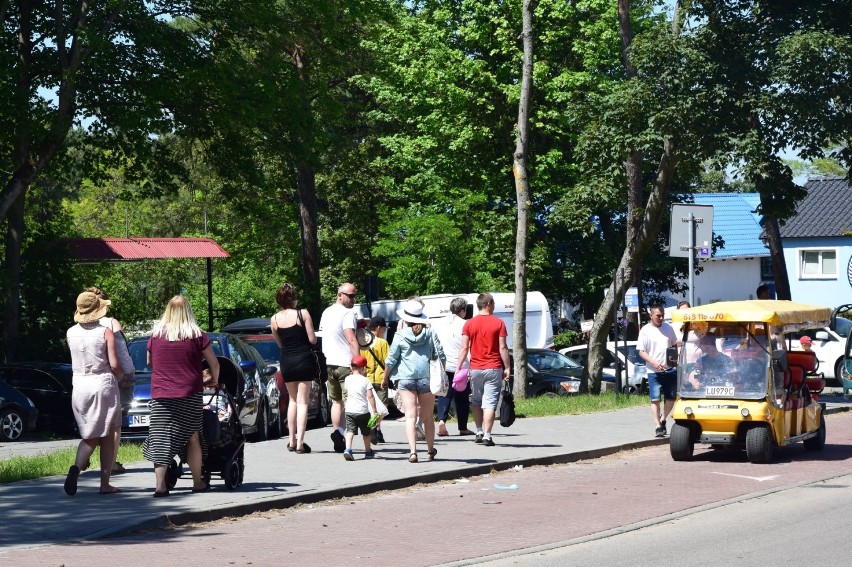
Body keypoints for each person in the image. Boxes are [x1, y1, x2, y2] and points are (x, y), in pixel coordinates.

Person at [143, 295, 220, 497]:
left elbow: (150, 363)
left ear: (168, 311)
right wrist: (214, 380)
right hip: (190, 393)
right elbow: (215, 363)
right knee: (193, 436)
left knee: (160, 437)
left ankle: (160, 486)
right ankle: (197, 482)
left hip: (161, 394)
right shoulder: (197, 335)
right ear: (188, 311)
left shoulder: (156, 335)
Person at [64, 291, 125, 496]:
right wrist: (121, 375)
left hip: (79, 385)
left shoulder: (71, 332)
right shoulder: (105, 332)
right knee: (107, 435)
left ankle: (76, 468)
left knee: (89, 434)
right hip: (102, 384)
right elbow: (115, 364)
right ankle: (104, 483)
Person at [381, 299, 445, 463]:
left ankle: (413, 452)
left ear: (406, 319)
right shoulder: (430, 333)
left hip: (405, 379)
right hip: (427, 379)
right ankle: (430, 451)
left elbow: (391, 359)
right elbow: (441, 356)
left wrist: (385, 378)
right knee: (428, 417)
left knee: (410, 416)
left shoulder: (400, 335)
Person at [86, 286, 135, 475]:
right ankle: (111, 462)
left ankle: (86, 454)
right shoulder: (112, 323)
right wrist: (127, 374)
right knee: (115, 424)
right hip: (117, 377)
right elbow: (121, 352)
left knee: (96, 420)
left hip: (90, 379)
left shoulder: (80, 326)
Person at [455, 293, 510, 447]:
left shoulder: (469, 324)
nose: (494, 306)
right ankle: (487, 435)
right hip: (493, 368)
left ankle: (478, 431)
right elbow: (503, 347)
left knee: (477, 401)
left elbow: (464, 347)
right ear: (489, 303)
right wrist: (507, 367)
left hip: (475, 368)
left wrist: (459, 366)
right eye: (493, 303)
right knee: (490, 403)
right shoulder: (499, 323)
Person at [270, 283, 318, 454]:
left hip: (287, 361)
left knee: (293, 401)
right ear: (293, 298)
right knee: (303, 401)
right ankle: (301, 443)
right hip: (304, 359)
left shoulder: (274, 319)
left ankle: (291, 440)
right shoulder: (302, 313)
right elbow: (312, 340)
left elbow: (280, 344)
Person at [319, 282, 361, 453]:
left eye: (354, 295)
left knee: (336, 401)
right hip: (345, 363)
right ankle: (348, 437)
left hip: (329, 362)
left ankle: (338, 432)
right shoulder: (347, 314)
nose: (353, 299)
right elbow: (351, 339)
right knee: (350, 402)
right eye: (350, 296)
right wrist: (358, 361)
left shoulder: (326, 312)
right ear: (339, 295)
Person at [432, 297, 474, 437]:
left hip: (443, 364)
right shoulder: (466, 324)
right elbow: (467, 346)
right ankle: (462, 427)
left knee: (444, 394)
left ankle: (442, 421)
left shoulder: (439, 323)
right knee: (462, 396)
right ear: (463, 310)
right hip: (460, 365)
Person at [637, 304, 678, 438]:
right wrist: (653, 362)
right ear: (651, 315)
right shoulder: (645, 330)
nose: (661, 318)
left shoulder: (668, 328)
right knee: (655, 399)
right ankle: (657, 426)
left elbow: (673, 345)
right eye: (658, 316)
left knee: (671, 398)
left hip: (669, 369)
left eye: (662, 316)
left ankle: (663, 419)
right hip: (653, 371)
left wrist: (674, 358)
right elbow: (641, 352)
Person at [343, 355, 379, 460]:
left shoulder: (347, 379)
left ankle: (348, 450)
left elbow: (346, 392)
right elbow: (370, 396)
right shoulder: (365, 381)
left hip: (349, 410)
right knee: (366, 434)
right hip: (363, 411)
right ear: (363, 368)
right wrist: (375, 410)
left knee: (350, 431)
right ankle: (368, 452)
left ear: (351, 367)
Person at [360, 316, 389, 443]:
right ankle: (377, 429)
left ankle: (374, 429)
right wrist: (387, 377)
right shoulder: (382, 343)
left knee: (370, 407)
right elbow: (388, 361)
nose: (383, 331)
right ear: (378, 328)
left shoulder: (362, 343)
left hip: (367, 379)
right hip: (381, 378)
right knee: (381, 407)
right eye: (383, 329)